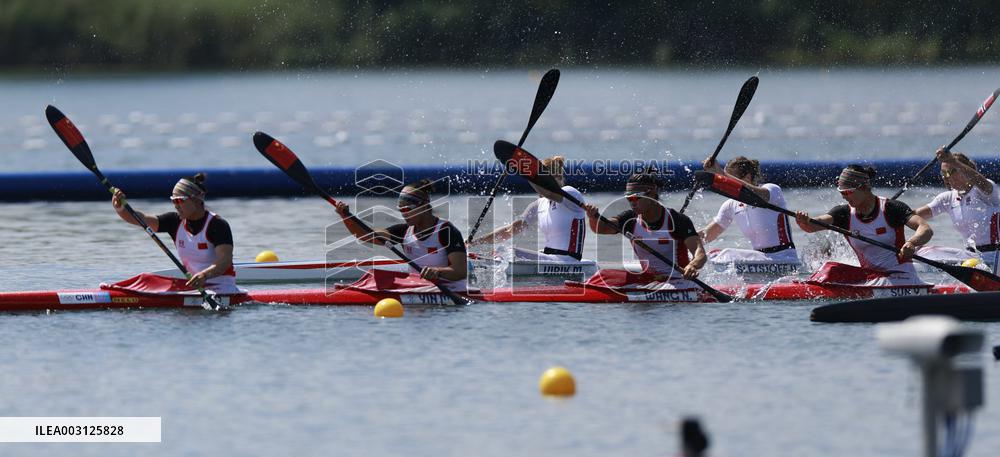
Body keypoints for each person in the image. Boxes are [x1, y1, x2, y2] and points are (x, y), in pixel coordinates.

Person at [794, 165, 933, 286]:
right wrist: (804, 221)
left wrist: (911, 243)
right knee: (830, 269)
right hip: (870, 277)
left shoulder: (892, 208)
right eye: (841, 193)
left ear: (864, 187)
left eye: (848, 192)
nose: (844, 196)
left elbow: (925, 229)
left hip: (901, 276)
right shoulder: (844, 213)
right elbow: (813, 226)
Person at [111, 173, 237, 293]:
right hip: (194, 288)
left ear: (196, 200)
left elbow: (224, 261)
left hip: (223, 288)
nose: (175, 205)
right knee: (147, 279)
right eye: (173, 201)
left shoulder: (218, 225)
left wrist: (204, 275)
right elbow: (141, 219)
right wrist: (120, 208)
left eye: (179, 201)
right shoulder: (174, 221)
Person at [335, 178, 468, 292]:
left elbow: (461, 271)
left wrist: (438, 272)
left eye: (407, 209)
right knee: (375, 275)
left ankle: (360, 289)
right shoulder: (404, 231)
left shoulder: (447, 231)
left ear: (424, 206)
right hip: (417, 286)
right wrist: (345, 216)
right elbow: (364, 236)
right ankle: (359, 288)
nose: (403, 214)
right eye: (401, 210)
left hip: (449, 289)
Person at [583, 171, 707, 287]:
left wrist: (692, 265)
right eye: (628, 198)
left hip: (679, 281)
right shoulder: (630, 219)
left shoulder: (677, 220)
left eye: (636, 197)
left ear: (652, 193)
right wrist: (593, 217)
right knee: (604, 276)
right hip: (649, 280)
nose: (632, 202)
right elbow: (601, 228)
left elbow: (700, 253)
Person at [469, 155, 586, 264]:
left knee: (508, 252)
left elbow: (550, 193)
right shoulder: (539, 205)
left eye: (542, 180)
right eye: (539, 181)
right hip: (550, 258)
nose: (540, 185)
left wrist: (527, 173)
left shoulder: (570, 193)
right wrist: (475, 241)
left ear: (559, 178)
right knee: (499, 251)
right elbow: (509, 230)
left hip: (569, 261)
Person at [698, 156, 800, 273]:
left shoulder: (772, 190)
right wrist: (681, 240)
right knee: (711, 254)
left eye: (729, 177)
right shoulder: (731, 205)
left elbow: (758, 196)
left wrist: (721, 173)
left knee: (727, 255)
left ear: (747, 177)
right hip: (761, 261)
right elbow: (707, 234)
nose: (725, 181)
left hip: (784, 259)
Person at [915, 148, 1000, 273]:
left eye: (951, 172)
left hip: (996, 257)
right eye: (943, 174)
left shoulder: (984, 191)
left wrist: (953, 161)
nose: (946, 177)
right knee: (921, 252)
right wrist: (887, 210)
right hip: (973, 259)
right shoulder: (948, 198)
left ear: (964, 169)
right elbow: (912, 215)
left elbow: (982, 183)